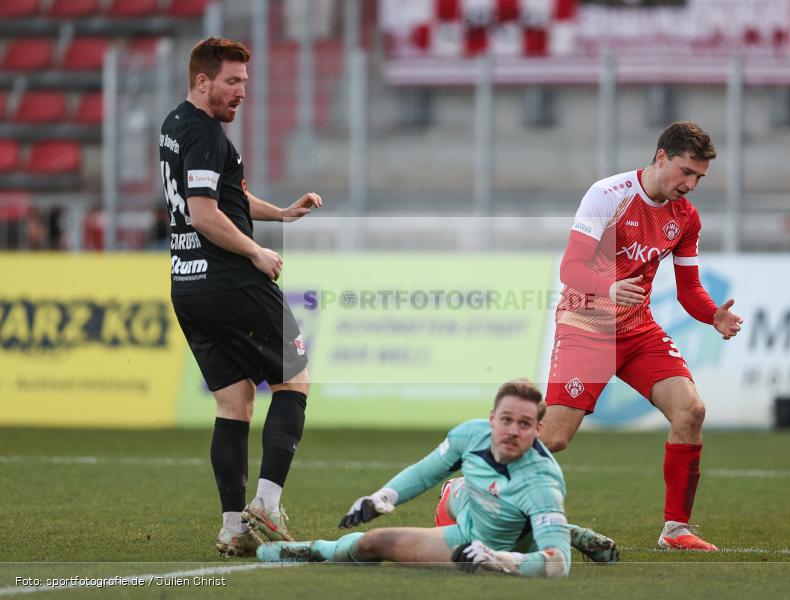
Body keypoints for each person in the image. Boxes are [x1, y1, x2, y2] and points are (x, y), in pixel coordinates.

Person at [539, 122, 743, 552]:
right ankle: (467, 486)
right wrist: (609, 287)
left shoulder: (685, 217)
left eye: (699, 177)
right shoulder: (607, 195)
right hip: (585, 328)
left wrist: (713, 316)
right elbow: (570, 267)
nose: (691, 185)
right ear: (661, 157)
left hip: (637, 329)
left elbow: (689, 289)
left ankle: (676, 530)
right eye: (686, 172)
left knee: (690, 411)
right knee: (553, 438)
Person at [158, 37, 323, 556]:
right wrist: (256, 251)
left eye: (245, 82)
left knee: (234, 403)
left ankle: (234, 526)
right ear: (202, 81)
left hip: (188, 285)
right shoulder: (207, 133)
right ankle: (268, 504)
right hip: (232, 281)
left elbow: (227, 196)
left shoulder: (175, 125)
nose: (242, 91)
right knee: (294, 380)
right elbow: (205, 214)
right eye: (232, 81)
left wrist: (282, 214)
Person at [257, 379, 619, 577]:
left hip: (494, 543)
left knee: (379, 542)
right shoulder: (470, 435)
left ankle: (556, 528)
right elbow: (425, 471)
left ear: (538, 430)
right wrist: (382, 498)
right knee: (443, 495)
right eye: (506, 420)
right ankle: (317, 549)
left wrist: (497, 558)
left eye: (524, 424)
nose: (512, 430)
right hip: (470, 503)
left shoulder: (542, 483)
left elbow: (558, 564)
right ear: (491, 419)